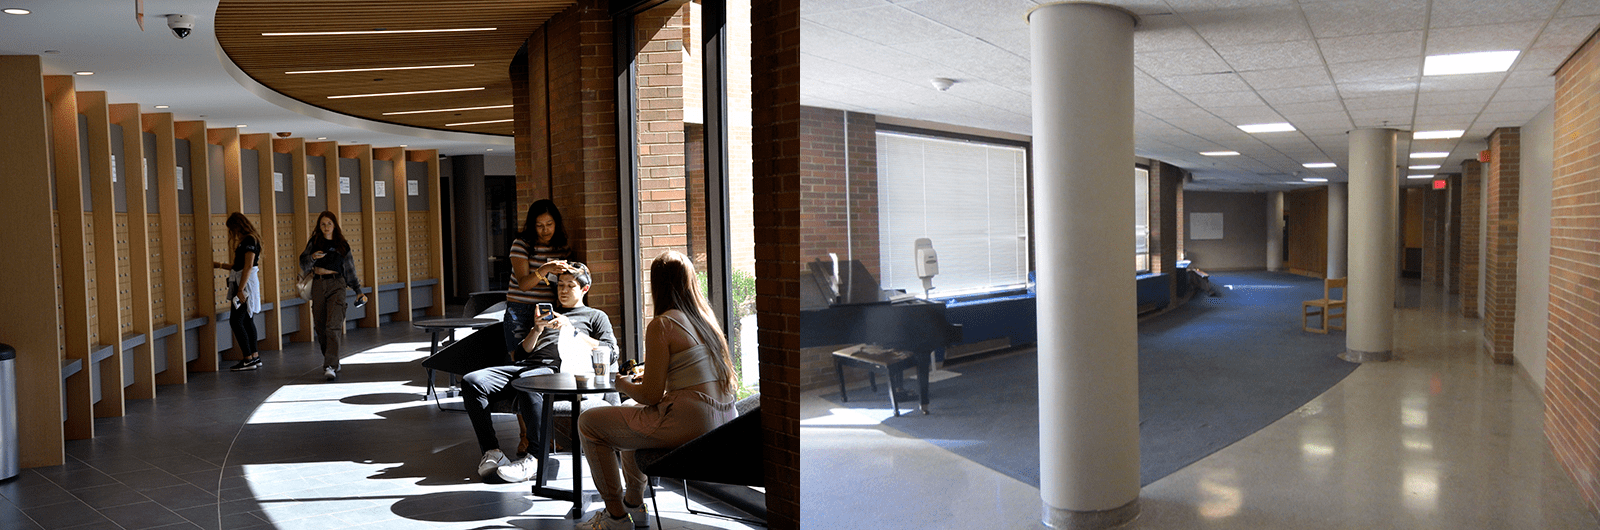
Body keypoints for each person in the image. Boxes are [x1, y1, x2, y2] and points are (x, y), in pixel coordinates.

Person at [574, 251, 739, 530]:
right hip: (723, 423)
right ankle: (634, 505)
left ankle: (615, 517)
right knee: (629, 411)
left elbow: (650, 396)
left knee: (588, 423)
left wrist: (621, 383)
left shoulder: (662, 324)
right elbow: (687, 374)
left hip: (691, 423)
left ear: (657, 284)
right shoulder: (706, 320)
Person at [465, 261, 616, 483]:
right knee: (473, 381)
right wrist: (536, 329)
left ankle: (535, 458)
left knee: (529, 381)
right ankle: (492, 451)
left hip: (558, 370)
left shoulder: (595, 316)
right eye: (560, 285)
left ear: (584, 289)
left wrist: (570, 329)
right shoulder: (549, 313)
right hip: (528, 366)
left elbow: (609, 351)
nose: (563, 291)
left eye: (570, 286)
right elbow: (523, 353)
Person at [298, 211, 368, 382]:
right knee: (321, 327)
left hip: (337, 284)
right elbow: (303, 262)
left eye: (329, 223)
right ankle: (332, 358)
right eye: (323, 224)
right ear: (319, 226)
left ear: (335, 225)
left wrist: (358, 290)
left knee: (333, 326)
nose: (326, 227)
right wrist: (313, 257)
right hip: (318, 284)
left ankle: (330, 365)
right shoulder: (314, 242)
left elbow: (350, 268)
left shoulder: (341, 245)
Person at [505, 199, 577, 354]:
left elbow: (565, 281)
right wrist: (545, 269)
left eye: (549, 224)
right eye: (540, 226)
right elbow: (524, 285)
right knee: (517, 356)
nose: (546, 230)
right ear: (532, 226)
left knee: (543, 354)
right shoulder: (521, 244)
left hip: (547, 309)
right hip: (520, 309)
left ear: (556, 223)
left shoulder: (561, 247)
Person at [213, 213, 264, 371]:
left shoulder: (249, 240)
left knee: (236, 321)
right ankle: (254, 357)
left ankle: (248, 358)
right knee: (247, 320)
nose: (232, 233)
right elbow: (239, 266)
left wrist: (240, 290)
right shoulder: (249, 239)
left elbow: (248, 267)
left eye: (232, 229)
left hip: (245, 285)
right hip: (242, 283)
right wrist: (220, 265)